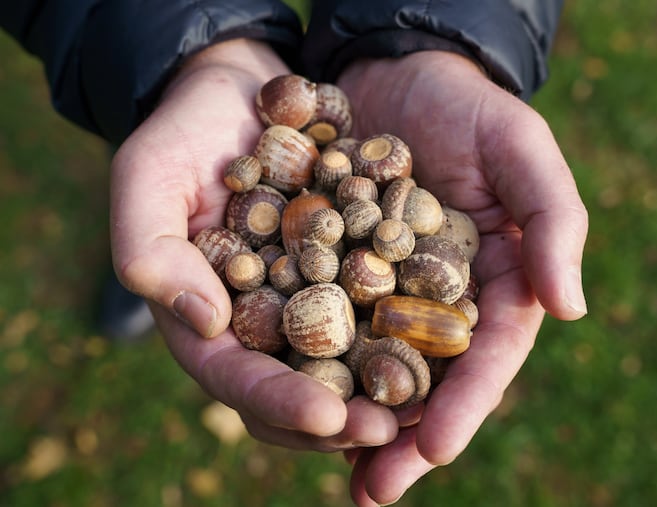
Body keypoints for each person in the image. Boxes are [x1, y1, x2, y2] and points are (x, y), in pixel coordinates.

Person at [1, 1, 588, 505]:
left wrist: (435, 41)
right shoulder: (296, 214)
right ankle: (150, 257)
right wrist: (196, 64)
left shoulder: (385, 247)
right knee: (153, 220)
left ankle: (155, 264)